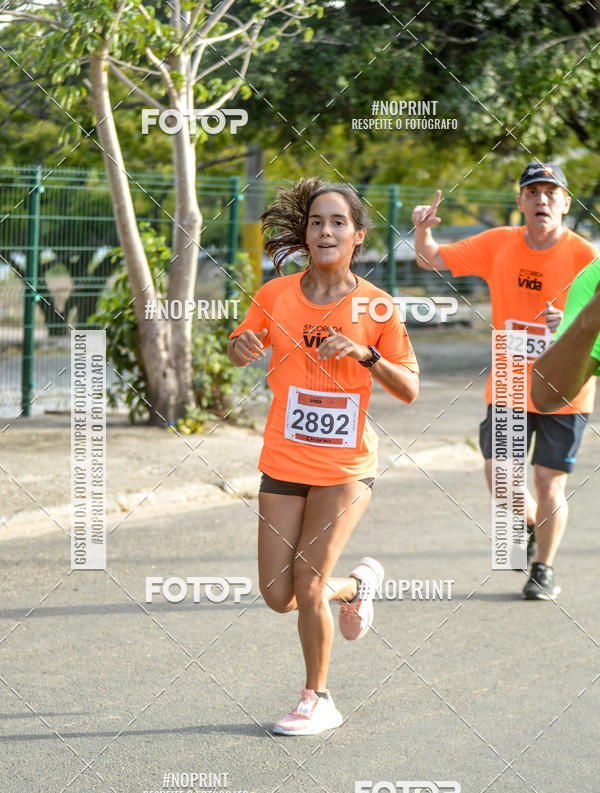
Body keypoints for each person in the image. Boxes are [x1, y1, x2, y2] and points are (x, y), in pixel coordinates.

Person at [227, 178, 419, 735]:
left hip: (345, 468)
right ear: (306, 234)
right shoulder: (275, 295)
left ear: (358, 235)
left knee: (308, 585)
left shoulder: (376, 307)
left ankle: (318, 698)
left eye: (339, 222)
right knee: (278, 595)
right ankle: (356, 588)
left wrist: (365, 356)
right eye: (317, 221)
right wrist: (240, 346)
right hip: (284, 461)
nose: (326, 230)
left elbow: (409, 387)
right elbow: (244, 344)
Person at [412, 162, 597, 600]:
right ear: (520, 203)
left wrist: (571, 322)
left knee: (549, 482)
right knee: (501, 476)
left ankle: (543, 569)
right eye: (532, 192)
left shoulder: (586, 257)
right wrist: (421, 229)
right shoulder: (499, 244)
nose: (542, 200)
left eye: (551, 193)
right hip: (511, 385)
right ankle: (531, 525)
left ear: (566, 203)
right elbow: (431, 258)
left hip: (564, 390)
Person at [532, 269, 600, 412]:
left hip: (571, 408)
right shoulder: (593, 275)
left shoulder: (583, 251)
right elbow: (546, 395)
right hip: (509, 388)